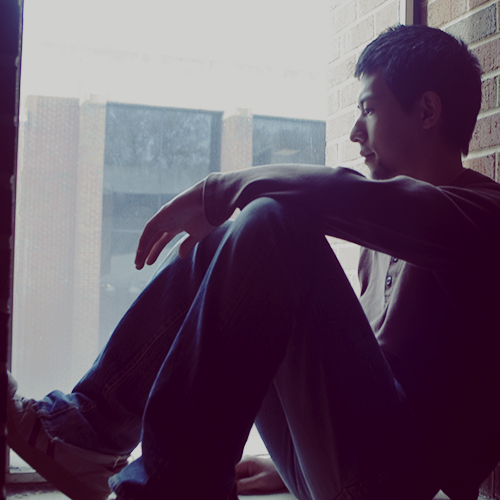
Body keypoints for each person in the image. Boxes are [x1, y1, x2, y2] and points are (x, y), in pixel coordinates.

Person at [7, 23, 500, 500]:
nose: (354, 131)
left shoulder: (486, 218)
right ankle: (86, 433)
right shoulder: (384, 235)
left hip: (406, 486)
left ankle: (171, 486)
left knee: (271, 220)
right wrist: (292, 468)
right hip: (352, 467)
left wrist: (219, 189)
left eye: (368, 109)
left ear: (428, 111)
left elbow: (356, 200)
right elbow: (358, 377)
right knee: (231, 238)